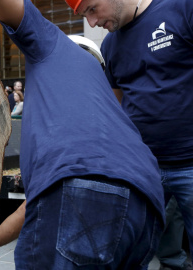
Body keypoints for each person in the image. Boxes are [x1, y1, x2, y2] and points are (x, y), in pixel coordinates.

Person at [0, 0, 165, 269]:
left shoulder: (53, 45)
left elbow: (76, 191)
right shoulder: (102, 100)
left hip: (82, 192)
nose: (91, 22)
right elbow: (34, 207)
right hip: (146, 203)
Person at [68, 0, 193, 268]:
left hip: (190, 163)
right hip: (143, 169)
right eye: (83, 16)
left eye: (92, 9)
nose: (91, 23)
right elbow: (116, 110)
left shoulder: (181, 9)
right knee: (139, 248)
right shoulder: (110, 46)